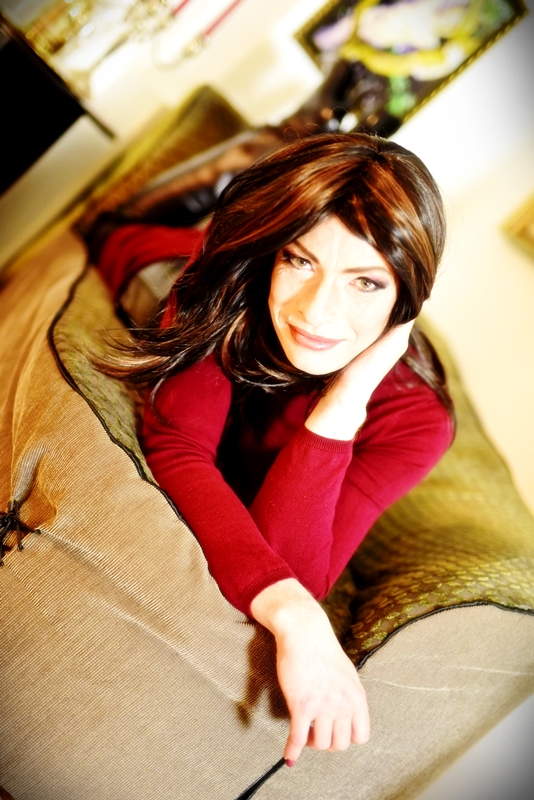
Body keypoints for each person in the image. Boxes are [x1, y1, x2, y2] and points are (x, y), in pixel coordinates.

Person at [94, 131, 454, 768]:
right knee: (111, 231)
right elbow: (178, 447)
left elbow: (296, 567)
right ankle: (238, 160)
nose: (317, 312)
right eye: (300, 260)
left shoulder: (416, 421)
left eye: (366, 282)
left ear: (407, 298)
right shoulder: (223, 291)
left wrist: (342, 405)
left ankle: (256, 165)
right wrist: (291, 610)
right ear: (272, 255)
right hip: (167, 260)